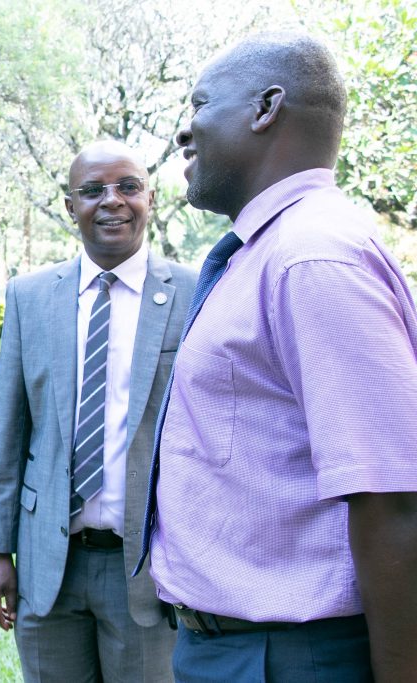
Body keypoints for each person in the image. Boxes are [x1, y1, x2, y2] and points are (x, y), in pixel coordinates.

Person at [139, 32, 417, 681]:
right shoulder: (268, 253)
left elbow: (393, 498)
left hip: (288, 658)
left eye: (200, 104)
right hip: (236, 648)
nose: (186, 131)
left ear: (266, 108)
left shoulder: (312, 258)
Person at [0, 140, 196, 682]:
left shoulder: (195, 293)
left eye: (127, 186)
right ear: (69, 203)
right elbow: (9, 433)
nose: (112, 201)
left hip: (147, 569)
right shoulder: (30, 296)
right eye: (92, 190)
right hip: (48, 564)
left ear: (152, 195)